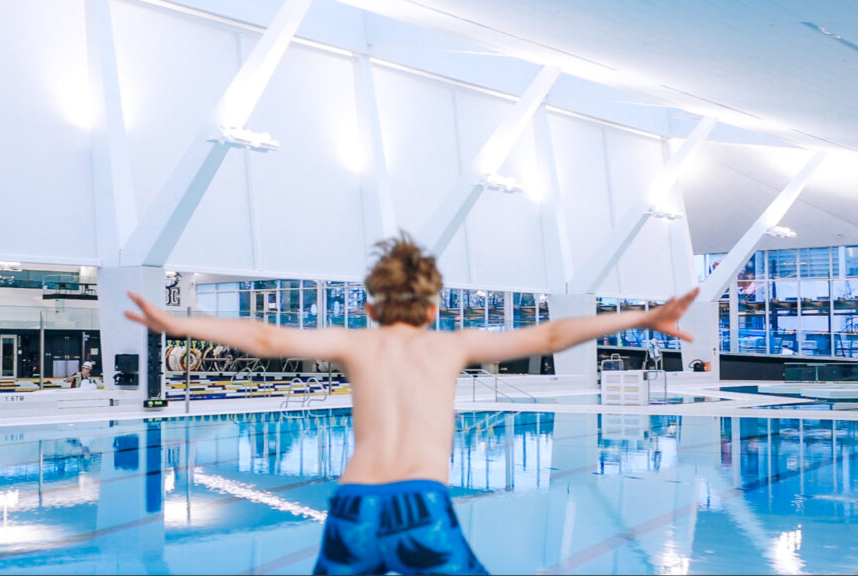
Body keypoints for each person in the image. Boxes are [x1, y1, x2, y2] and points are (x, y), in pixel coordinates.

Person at [124, 232, 698, 575]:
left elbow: (267, 337)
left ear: (371, 309)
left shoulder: (353, 342)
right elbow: (551, 336)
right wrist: (644, 315)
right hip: (419, 508)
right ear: (431, 309)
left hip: (351, 508)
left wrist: (172, 321)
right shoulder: (451, 346)